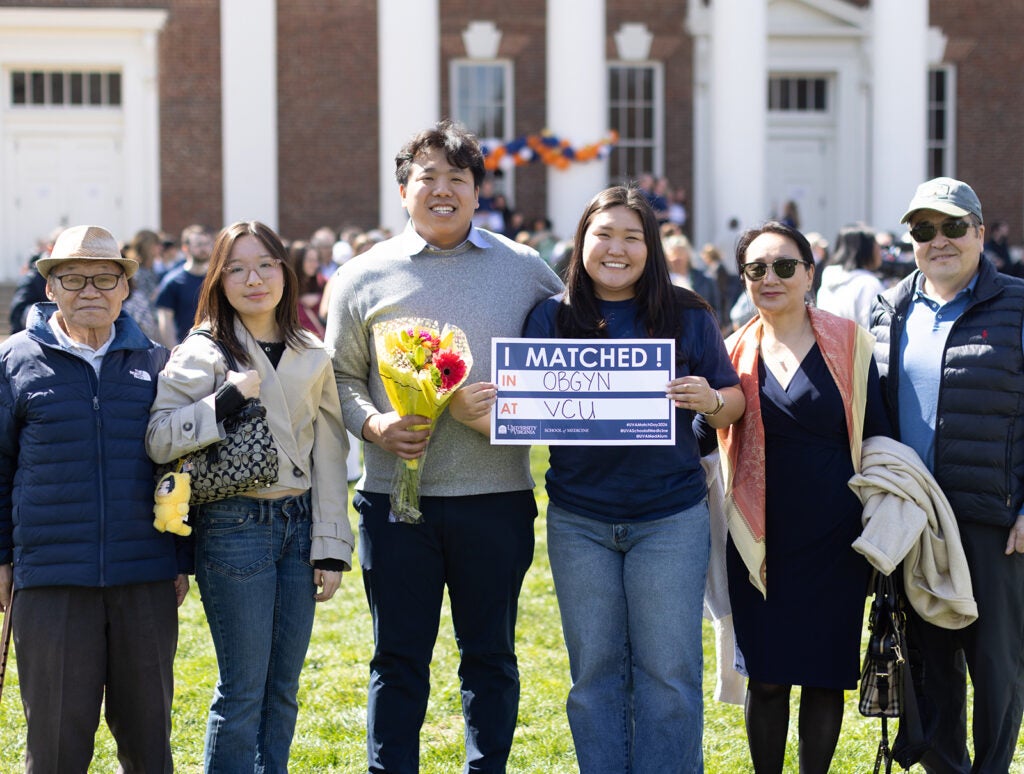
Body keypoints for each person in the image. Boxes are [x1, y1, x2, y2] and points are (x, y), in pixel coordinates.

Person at [325, 119, 562, 773]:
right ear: (404, 189)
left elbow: (567, 366)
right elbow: (338, 378)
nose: (443, 189)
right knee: (398, 657)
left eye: (458, 177)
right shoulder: (361, 277)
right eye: (428, 176)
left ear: (478, 193)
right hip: (395, 506)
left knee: (490, 656)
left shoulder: (525, 270)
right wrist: (374, 425)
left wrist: (501, 412)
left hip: (497, 500)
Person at [523, 186, 744, 773]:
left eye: (632, 236)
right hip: (580, 519)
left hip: (668, 516)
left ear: (651, 246)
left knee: (668, 672)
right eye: (604, 234)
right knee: (593, 670)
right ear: (582, 242)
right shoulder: (550, 317)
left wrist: (709, 399)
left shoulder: (688, 313)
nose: (616, 249)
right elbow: (524, 404)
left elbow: (734, 399)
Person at [146, 220, 353, 771]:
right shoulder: (203, 350)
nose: (253, 278)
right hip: (233, 526)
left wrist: (331, 542)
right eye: (235, 267)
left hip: (300, 524)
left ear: (286, 271)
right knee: (242, 692)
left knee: (283, 690)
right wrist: (223, 404)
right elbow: (159, 436)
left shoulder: (313, 352)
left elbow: (330, 451)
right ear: (217, 278)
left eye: (264, 264)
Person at [0, 224, 189, 772]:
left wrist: (178, 558)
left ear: (125, 287)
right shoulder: (15, 362)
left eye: (105, 277)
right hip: (52, 579)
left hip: (143, 576)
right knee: (57, 745)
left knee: (149, 740)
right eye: (73, 278)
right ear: (50, 288)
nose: (90, 290)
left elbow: (176, 468)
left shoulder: (156, 363)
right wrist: (3, 557)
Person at [717, 221, 891, 773]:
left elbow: (881, 433)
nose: (771, 277)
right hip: (759, 540)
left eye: (785, 266)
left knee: (824, 678)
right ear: (745, 279)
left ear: (810, 274)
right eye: (757, 269)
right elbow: (705, 434)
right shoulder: (731, 353)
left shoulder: (850, 342)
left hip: (837, 541)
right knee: (766, 679)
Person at [870, 177, 1024, 773]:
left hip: (992, 518)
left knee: (996, 667)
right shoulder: (888, 309)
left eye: (954, 226)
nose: (939, 240)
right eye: (924, 230)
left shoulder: (1016, 305)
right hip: (914, 522)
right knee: (929, 667)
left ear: (980, 233)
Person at [815, 225, 885, 328]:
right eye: (876, 245)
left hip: (828, 342)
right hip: (858, 343)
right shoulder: (868, 284)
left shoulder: (828, 279)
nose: (880, 250)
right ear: (866, 249)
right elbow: (875, 330)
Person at [155, 223, 214, 346]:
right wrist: (174, 351)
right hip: (185, 350)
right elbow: (165, 322)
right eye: (198, 244)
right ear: (185, 248)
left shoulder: (218, 280)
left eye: (207, 244)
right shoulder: (172, 282)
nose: (203, 249)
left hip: (218, 350)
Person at [664, 232, 721, 313]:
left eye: (680, 253)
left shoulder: (705, 280)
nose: (676, 258)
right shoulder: (661, 280)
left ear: (688, 255)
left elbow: (716, 309)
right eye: (672, 255)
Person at [289, 239, 327, 338]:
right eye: (310, 260)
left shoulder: (321, 282)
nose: (315, 265)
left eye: (316, 260)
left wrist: (319, 298)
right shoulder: (287, 287)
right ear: (298, 261)